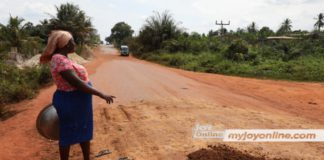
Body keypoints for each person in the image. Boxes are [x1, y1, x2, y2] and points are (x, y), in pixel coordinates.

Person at [40, 30, 115, 160]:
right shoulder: (59, 59)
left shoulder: (63, 58)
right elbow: (77, 83)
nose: (74, 43)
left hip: (78, 101)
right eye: (72, 41)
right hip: (71, 101)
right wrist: (101, 94)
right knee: (68, 132)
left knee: (84, 130)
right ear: (65, 44)